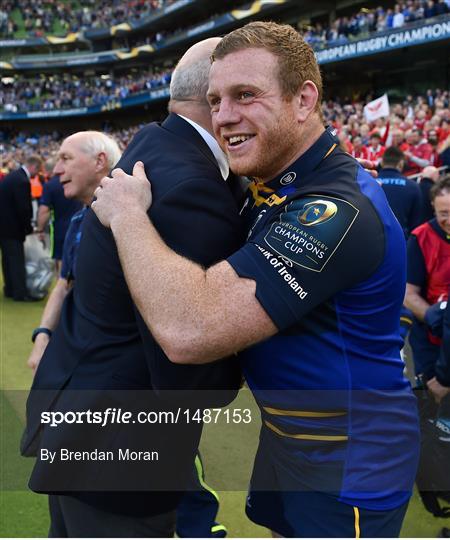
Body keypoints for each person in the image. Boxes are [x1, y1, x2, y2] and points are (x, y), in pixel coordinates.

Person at [92, 21, 420, 538]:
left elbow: (190, 329)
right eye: (216, 99)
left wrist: (129, 215)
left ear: (304, 100)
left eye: (245, 95)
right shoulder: (277, 186)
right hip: (289, 440)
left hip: (348, 464)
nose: (223, 117)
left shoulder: (336, 211)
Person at [22, 38, 242, 538]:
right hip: (119, 450)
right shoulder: (190, 185)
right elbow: (188, 353)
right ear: (215, 97)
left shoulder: (154, 148)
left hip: (81, 425)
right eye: (246, 92)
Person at [26, 131, 121, 375]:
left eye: (66, 158)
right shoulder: (78, 221)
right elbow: (63, 284)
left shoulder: (133, 219)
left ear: (99, 162)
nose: (56, 170)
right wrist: (43, 334)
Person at [405, 176, 450, 383]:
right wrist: (435, 317)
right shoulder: (421, 237)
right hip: (432, 341)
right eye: (444, 214)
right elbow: (408, 293)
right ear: (433, 207)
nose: (449, 220)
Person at [0, 154, 42, 301]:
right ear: (33, 166)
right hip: (12, 228)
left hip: (4, 227)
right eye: (38, 170)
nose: (37, 174)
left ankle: (10, 289)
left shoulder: (13, 176)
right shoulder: (21, 180)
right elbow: (23, 208)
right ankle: (20, 293)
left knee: (7, 259)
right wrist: (28, 228)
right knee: (16, 260)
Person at [35, 159, 82, 275]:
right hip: (80, 225)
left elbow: (43, 211)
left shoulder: (50, 185)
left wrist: (40, 229)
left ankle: (63, 288)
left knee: (61, 260)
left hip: (60, 228)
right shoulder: (77, 180)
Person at [378, 146, 423, 237]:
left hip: (371, 240)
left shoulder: (368, 183)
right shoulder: (412, 186)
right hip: (401, 240)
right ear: (401, 164)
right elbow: (416, 223)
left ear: (382, 162)